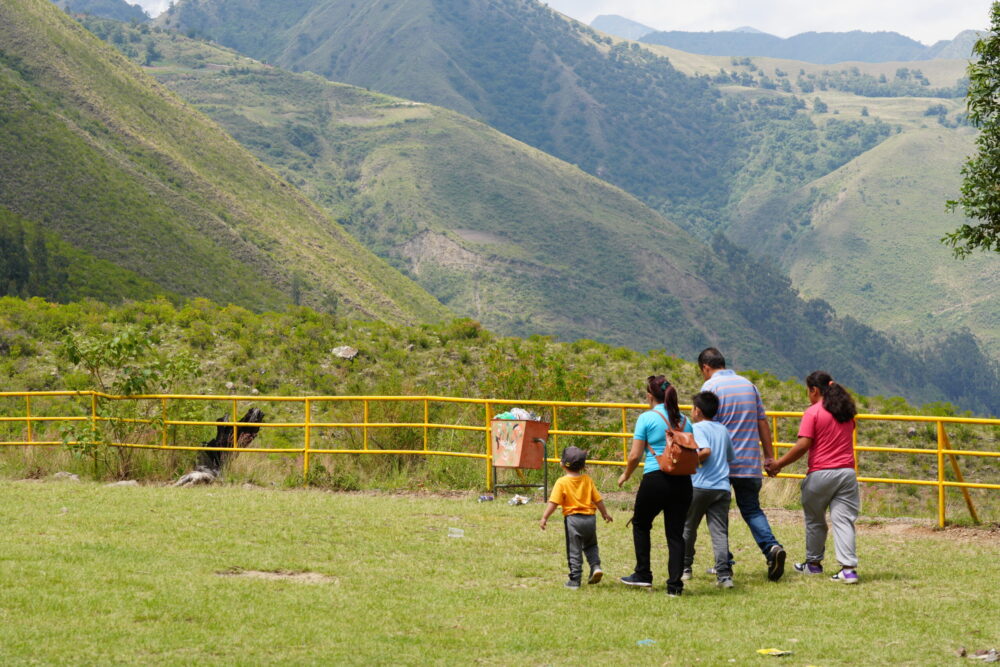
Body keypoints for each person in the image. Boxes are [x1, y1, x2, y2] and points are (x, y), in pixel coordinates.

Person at [697, 347, 786, 581]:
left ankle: (723, 563)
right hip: (749, 462)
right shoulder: (749, 385)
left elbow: (705, 425)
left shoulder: (710, 387)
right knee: (752, 509)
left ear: (706, 368)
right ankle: (771, 548)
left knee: (717, 514)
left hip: (720, 465)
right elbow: (762, 422)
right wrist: (769, 457)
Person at [766, 371, 860, 584]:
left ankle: (813, 564)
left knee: (815, 521)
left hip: (821, 474)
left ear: (814, 390)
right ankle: (849, 569)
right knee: (843, 520)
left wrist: (779, 464)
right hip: (847, 474)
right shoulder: (846, 412)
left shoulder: (813, 412)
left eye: (808, 391)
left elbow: (803, 445)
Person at [617, 375, 694, 596]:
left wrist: (626, 475)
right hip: (683, 482)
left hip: (656, 479)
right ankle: (675, 586)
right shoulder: (685, 420)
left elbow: (634, 455)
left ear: (649, 396)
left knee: (641, 524)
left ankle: (643, 574)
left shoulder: (646, 418)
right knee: (675, 534)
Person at [681, 391, 737, 588]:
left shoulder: (696, 428)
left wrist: (687, 461)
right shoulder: (723, 430)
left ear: (697, 410)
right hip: (722, 487)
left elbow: (705, 451)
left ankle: (685, 568)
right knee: (719, 532)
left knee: (688, 527)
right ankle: (724, 576)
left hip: (700, 485)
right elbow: (730, 456)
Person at [540, 446, 613, 589]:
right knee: (591, 545)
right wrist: (605, 513)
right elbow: (598, 500)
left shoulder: (561, 482)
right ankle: (595, 566)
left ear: (562, 464)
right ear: (583, 466)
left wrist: (544, 517)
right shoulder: (587, 480)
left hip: (573, 520)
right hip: (590, 519)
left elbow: (554, 503)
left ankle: (575, 579)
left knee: (574, 550)